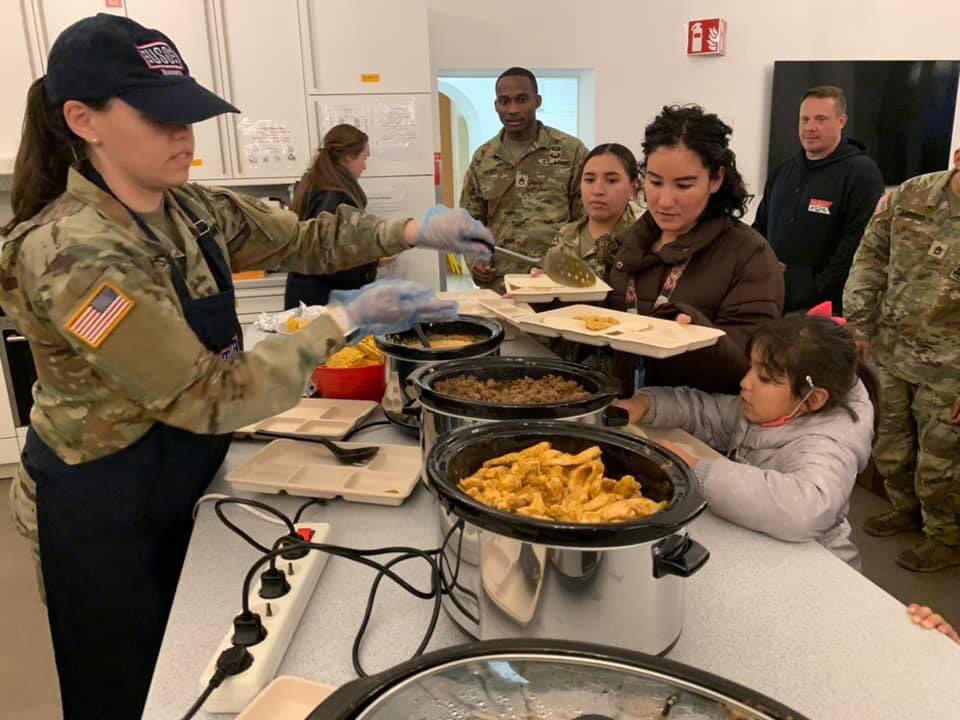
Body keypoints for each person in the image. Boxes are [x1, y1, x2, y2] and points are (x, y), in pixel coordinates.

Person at [0, 15, 492, 720]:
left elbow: (304, 237)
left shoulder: (187, 209)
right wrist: (345, 320)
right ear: (84, 120)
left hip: (180, 475)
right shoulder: (74, 254)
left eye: (188, 115)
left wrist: (411, 229)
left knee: (199, 668)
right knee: (129, 688)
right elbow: (207, 396)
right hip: (102, 502)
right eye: (159, 116)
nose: (184, 134)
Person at [615, 314, 877, 568]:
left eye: (764, 378)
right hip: (766, 548)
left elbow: (807, 510)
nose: (745, 382)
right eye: (751, 367)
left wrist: (697, 470)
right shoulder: (770, 410)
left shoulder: (828, 445)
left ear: (813, 399)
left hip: (821, 570)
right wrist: (646, 405)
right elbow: (705, 412)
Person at [606, 105, 784, 395]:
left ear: (715, 180)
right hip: (629, 411)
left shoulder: (749, 254)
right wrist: (556, 299)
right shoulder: (631, 241)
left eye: (684, 185)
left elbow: (750, 363)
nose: (664, 201)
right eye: (655, 182)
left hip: (700, 422)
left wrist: (694, 329)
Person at [844, 148, 960, 573]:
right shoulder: (911, 195)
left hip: (952, 370)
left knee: (941, 459)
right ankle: (905, 510)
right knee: (891, 445)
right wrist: (859, 322)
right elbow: (871, 255)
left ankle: (945, 538)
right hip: (892, 349)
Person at [754, 85, 884, 314]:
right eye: (804, 119)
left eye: (820, 119)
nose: (810, 128)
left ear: (841, 121)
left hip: (822, 309)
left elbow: (856, 245)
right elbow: (760, 228)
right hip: (770, 297)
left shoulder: (862, 173)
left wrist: (813, 289)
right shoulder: (784, 170)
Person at [460, 66, 588, 292]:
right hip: (500, 282)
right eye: (504, 101)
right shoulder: (484, 157)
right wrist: (474, 259)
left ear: (537, 101)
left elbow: (586, 218)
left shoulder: (570, 151)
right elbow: (470, 220)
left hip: (555, 281)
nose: (512, 109)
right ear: (496, 105)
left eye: (521, 100)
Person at [285, 123, 382, 308]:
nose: (365, 167)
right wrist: (373, 261)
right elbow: (329, 260)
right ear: (347, 157)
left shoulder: (314, 183)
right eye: (364, 158)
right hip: (321, 299)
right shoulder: (335, 198)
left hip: (306, 292)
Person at [548, 142, 639, 280]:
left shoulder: (639, 241)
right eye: (589, 180)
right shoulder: (566, 234)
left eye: (611, 181)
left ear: (633, 188)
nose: (597, 191)